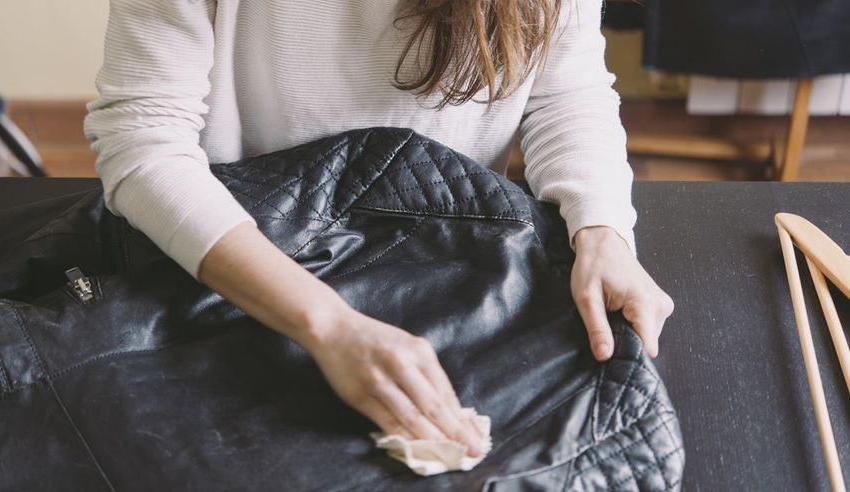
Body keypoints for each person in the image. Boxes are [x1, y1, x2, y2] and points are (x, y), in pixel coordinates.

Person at [84, 0, 674, 458]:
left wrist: (601, 229)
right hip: (239, 266)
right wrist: (327, 323)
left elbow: (565, 90)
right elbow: (143, 140)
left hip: (451, 262)